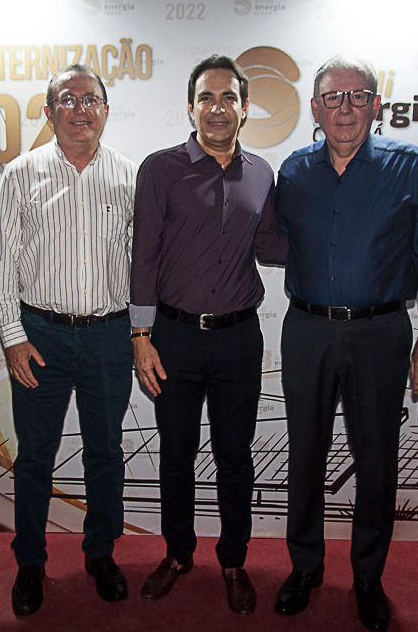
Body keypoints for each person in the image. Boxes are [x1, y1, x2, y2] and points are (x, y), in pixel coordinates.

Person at [273, 55, 418, 631]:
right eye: (333, 97)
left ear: (376, 105)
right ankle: (305, 567)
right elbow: (270, 240)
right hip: (307, 329)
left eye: (357, 97)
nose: (345, 108)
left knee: (376, 457)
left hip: (381, 332)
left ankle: (369, 577)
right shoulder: (293, 172)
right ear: (315, 108)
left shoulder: (410, 166)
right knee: (305, 453)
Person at [129, 55, 287, 616]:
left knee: (235, 457)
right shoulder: (160, 169)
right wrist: (140, 334)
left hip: (239, 340)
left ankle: (233, 560)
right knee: (177, 454)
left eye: (228, 98)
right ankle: (177, 554)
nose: (217, 108)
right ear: (190, 107)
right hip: (172, 338)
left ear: (244, 108)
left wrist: (332, 239)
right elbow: (144, 254)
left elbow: (270, 245)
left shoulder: (263, 174)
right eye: (206, 98)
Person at [0, 64, 137, 616]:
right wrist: (12, 337)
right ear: (50, 111)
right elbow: (1, 266)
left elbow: (141, 264)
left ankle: (100, 552)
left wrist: (140, 333)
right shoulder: (20, 174)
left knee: (106, 451)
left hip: (109, 336)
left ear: (106, 110)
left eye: (90, 99)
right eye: (68, 100)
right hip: (40, 336)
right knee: (34, 455)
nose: (81, 110)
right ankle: (30, 561)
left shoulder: (129, 176)